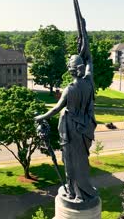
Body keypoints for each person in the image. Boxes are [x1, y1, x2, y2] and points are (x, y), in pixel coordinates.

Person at [34, 52, 97, 202]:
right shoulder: (89, 82)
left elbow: (55, 109)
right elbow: (90, 65)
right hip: (84, 127)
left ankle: (75, 193)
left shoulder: (70, 89)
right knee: (81, 160)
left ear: (71, 70)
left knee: (70, 161)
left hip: (71, 129)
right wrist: (87, 54)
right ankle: (82, 189)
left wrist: (40, 117)